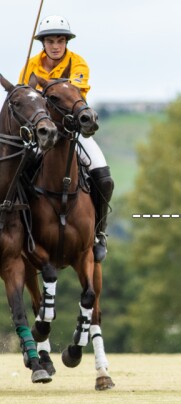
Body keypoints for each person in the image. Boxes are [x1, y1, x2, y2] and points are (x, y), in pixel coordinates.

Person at [19, 15, 113, 262]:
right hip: (41, 136)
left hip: (72, 134)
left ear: (66, 42)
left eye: (60, 41)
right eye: (50, 41)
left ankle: (99, 233)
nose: (56, 46)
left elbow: (69, 93)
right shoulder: (30, 66)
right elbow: (24, 100)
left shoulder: (78, 64)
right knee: (15, 173)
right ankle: (17, 229)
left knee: (104, 177)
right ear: (43, 43)